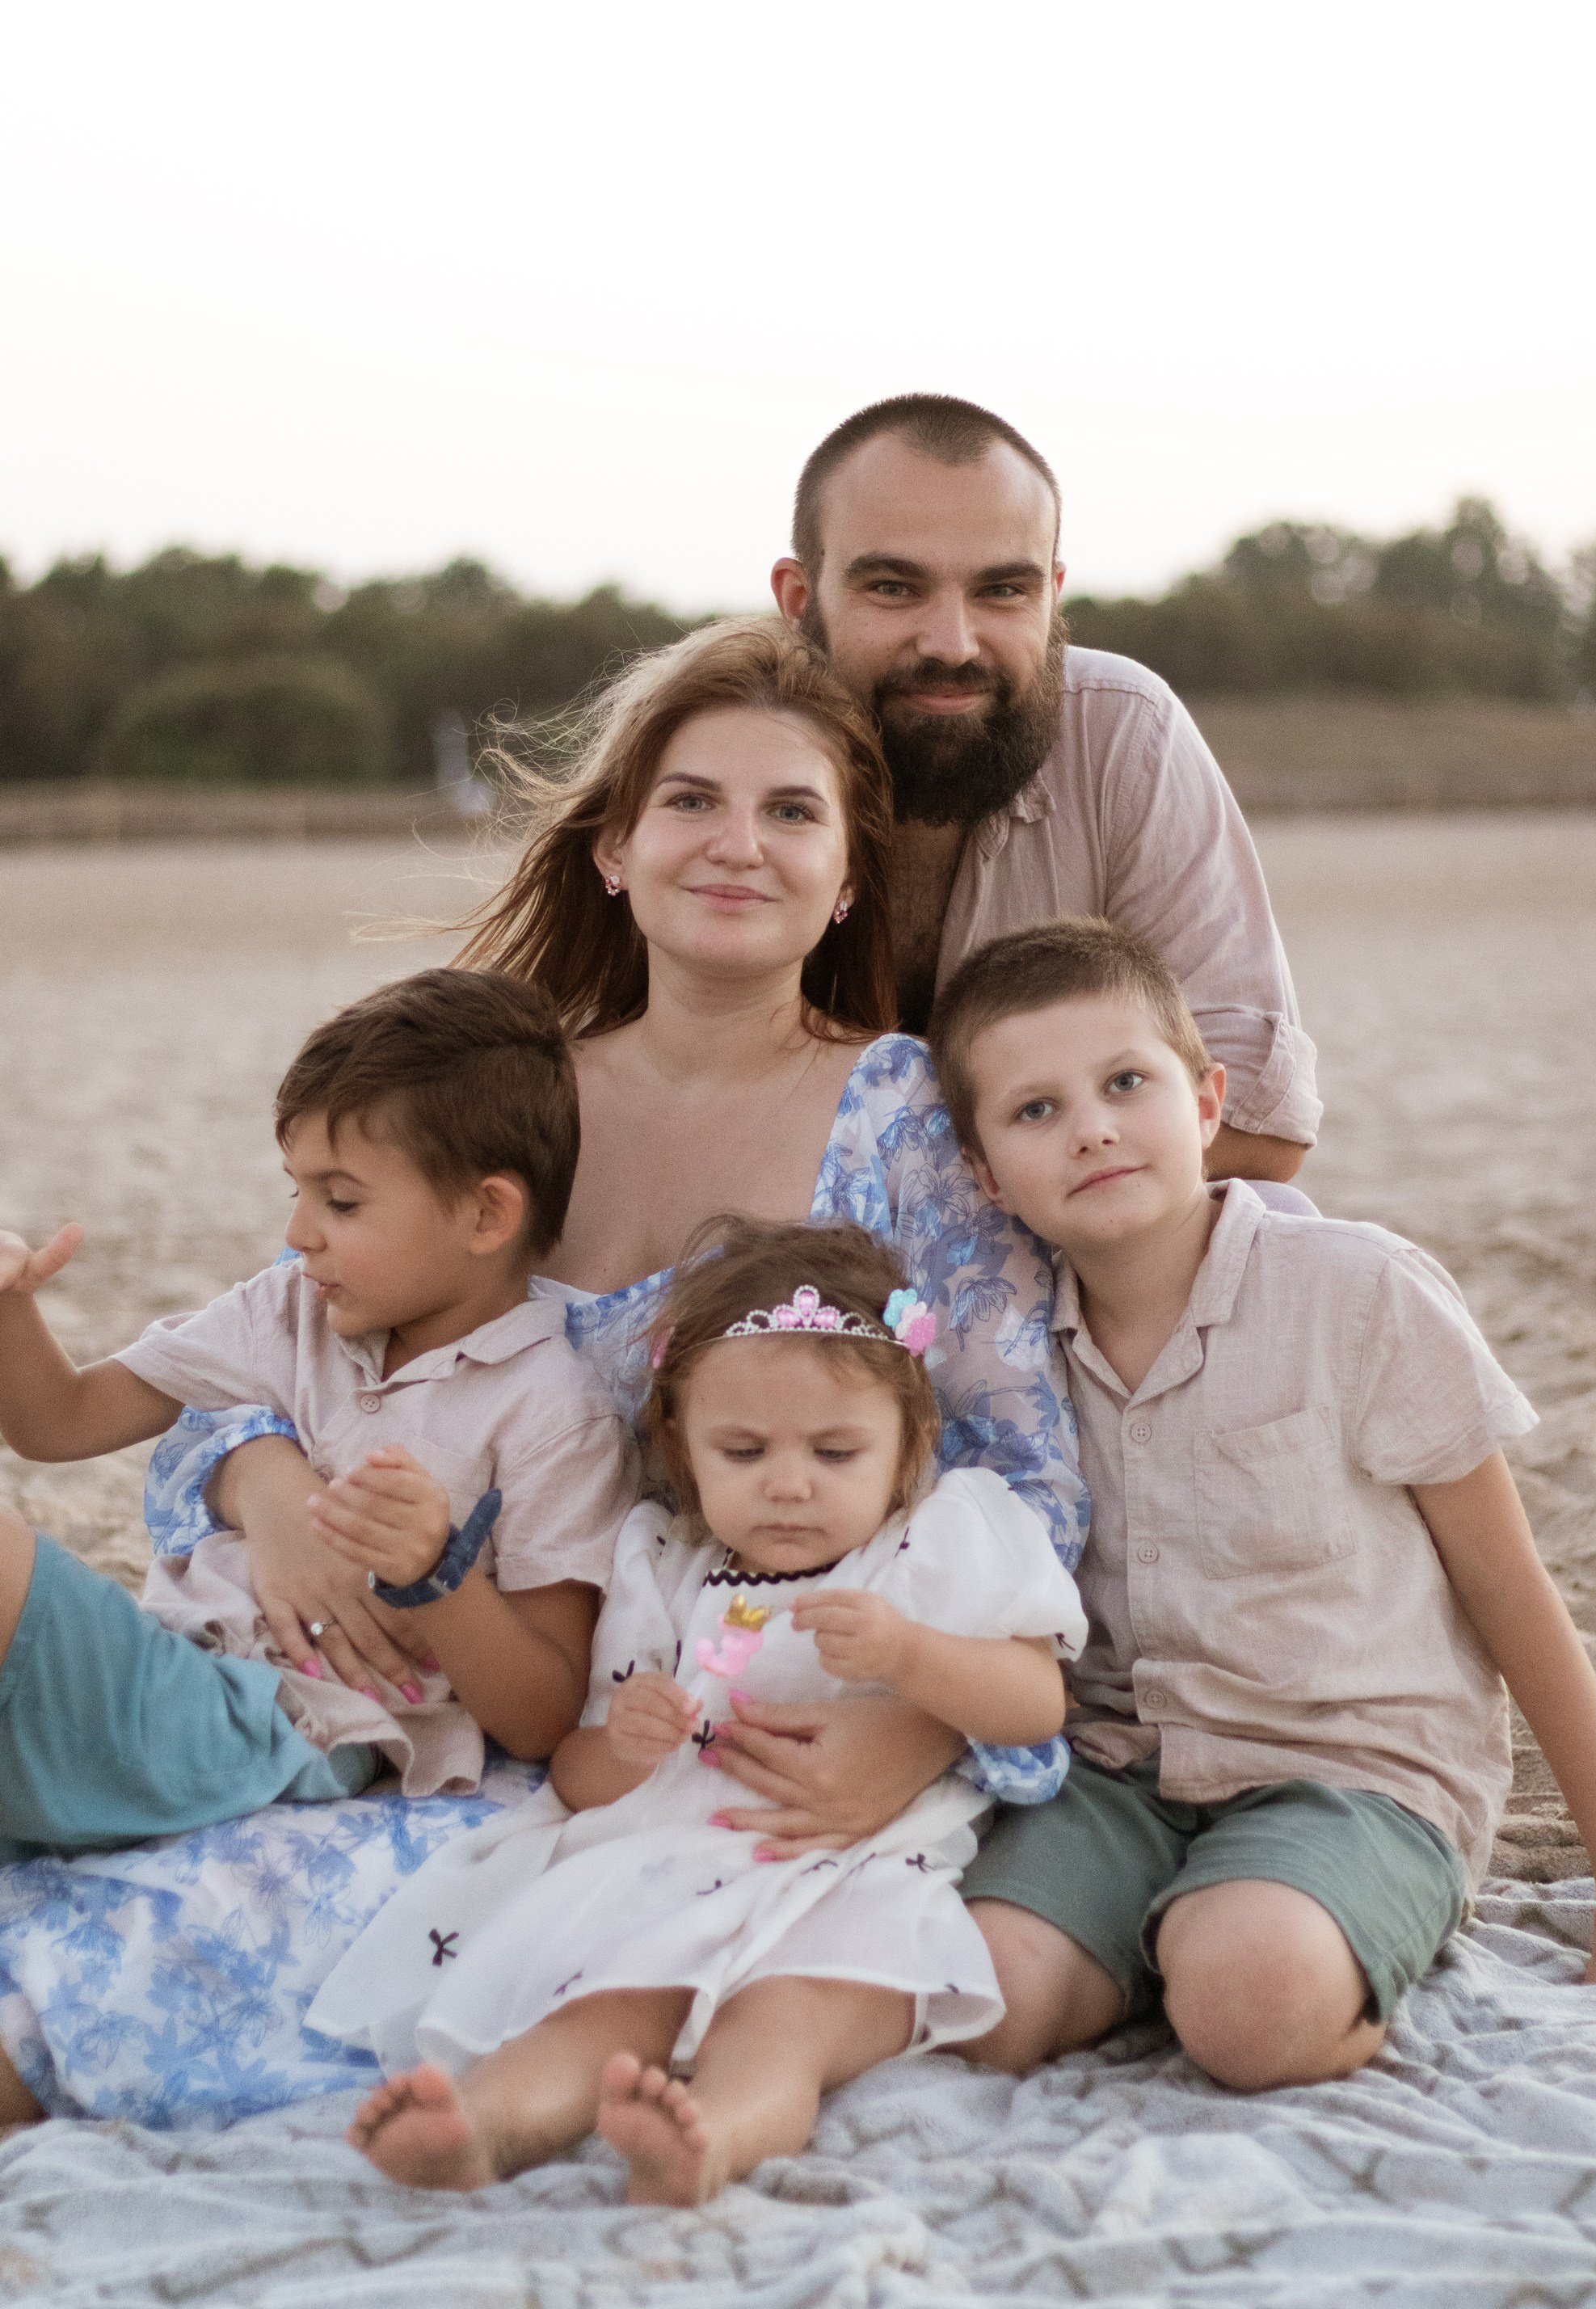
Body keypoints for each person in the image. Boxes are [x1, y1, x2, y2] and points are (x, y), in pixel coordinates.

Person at [0, 619, 1082, 2129]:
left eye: (791, 813)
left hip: (594, 1734)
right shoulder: (498, 1094)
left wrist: (919, 1722)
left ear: (849, 881)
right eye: (692, 801)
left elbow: (1016, 1473)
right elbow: (280, 1351)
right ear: (615, 850)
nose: (737, 845)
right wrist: (269, 1483)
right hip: (316, 1669)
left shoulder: (897, 1115)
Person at [925, 916, 1596, 2088]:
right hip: (1117, 1776)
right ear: (987, 1174)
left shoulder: (1357, 1294)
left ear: (1206, 1102)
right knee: (978, 2006)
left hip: (1353, 1774)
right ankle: (1171, 1934)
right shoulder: (994, 1361)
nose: (1091, 1126)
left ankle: (1276, 1943)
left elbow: (1509, 1588)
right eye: (1035, 1111)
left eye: (1125, 1083)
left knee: (1248, 2008)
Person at [305, 1219, 1088, 2203]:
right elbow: (578, 1780)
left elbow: (1033, 1702)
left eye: (836, 1450)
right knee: (596, 2009)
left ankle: (710, 2139)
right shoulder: (666, 1562)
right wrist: (624, 1744)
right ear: (681, 1444)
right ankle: (485, 2125)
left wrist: (910, 1655)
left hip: (853, 1877)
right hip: (671, 1863)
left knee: (782, 2025)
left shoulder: (939, 1536)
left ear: (908, 1442)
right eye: (744, 1449)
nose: (790, 1482)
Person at [0, 968, 637, 2124]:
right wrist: (7, 1312)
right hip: (171, 1670)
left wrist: (439, 1574)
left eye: (340, 1201)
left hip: (280, 1730)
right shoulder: (291, 1309)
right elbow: (60, 1423)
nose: (300, 1234)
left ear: (487, 1215)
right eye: (297, 1191)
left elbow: (546, 1712)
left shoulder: (555, 1405)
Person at [771, 393, 1318, 1186]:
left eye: (1001, 591)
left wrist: (949, 1222)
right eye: (893, 588)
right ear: (799, 602)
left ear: (1052, 597)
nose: (951, 644)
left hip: (1069, 1271)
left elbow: (1257, 1130)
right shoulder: (708, 761)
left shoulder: (1121, 734)